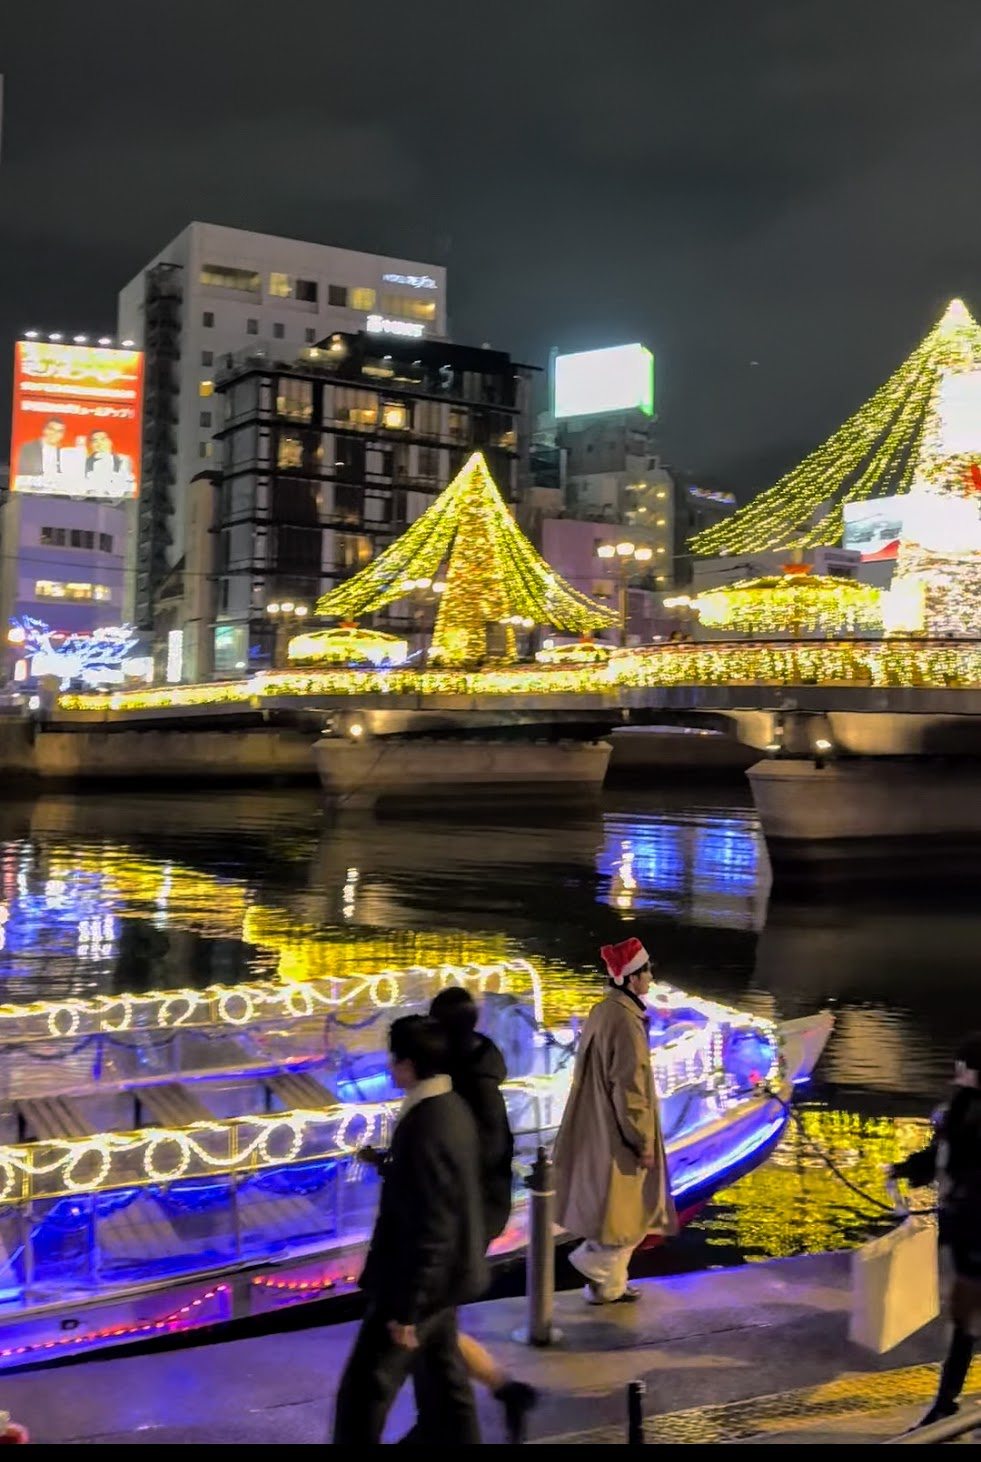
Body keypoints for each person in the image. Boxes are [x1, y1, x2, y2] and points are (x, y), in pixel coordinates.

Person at [332, 1015, 487, 1445]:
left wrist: (407, 1311)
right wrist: (386, 1163)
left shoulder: (426, 1125)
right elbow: (434, 1186)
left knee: (364, 1392)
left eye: (394, 1058)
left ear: (410, 1064)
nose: (389, 1066)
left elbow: (432, 1224)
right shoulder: (449, 1107)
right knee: (445, 1388)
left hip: (415, 1282)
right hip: (445, 1279)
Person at [428, 986, 537, 1443]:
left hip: (460, 1220)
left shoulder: (468, 1084)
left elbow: (478, 1156)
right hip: (465, 1217)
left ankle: (496, 1395)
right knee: (434, 1326)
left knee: (427, 1324)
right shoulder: (469, 1075)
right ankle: (503, 1390)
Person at [553, 936, 677, 1304]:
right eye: (647, 971)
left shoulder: (602, 1010)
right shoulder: (626, 1021)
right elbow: (630, 1086)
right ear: (632, 978)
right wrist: (643, 1141)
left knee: (615, 1213)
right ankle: (594, 1265)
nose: (651, 978)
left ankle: (609, 1287)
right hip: (618, 1130)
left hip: (596, 1122)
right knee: (632, 1214)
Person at [891, 1033, 981, 1429]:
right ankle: (946, 1402)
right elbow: (940, 1155)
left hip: (976, 1228)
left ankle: (946, 1403)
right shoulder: (958, 1109)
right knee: (964, 1320)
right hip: (966, 1230)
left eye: (965, 1066)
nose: (957, 1072)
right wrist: (906, 1169)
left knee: (968, 1319)